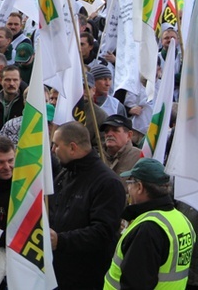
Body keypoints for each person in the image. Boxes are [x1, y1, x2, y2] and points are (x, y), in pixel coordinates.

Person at [49, 122, 126, 289]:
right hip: (58, 274)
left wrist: (61, 241)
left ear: (72, 148)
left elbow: (103, 232)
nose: (53, 150)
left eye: (56, 145)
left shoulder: (108, 183)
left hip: (88, 278)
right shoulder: (65, 174)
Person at [105, 158, 196, 289]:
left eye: (130, 182)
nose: (128, 189)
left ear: (140, 187)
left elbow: (135, 284)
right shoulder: (182, 220)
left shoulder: (148, 229)